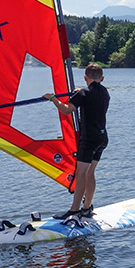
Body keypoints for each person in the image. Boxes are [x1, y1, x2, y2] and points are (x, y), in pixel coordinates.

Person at [44, 62, 109, 219]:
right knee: (90, 173)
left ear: (85, 77)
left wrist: (53, 98)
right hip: (102, 138)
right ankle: (86, 208)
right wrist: (80, 92)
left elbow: (67, 110)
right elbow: (91, 95)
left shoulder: (84, 94)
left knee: (81, 174)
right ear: (102, 78)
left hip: (89, 140)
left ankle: (74, 210)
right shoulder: (105, 92)